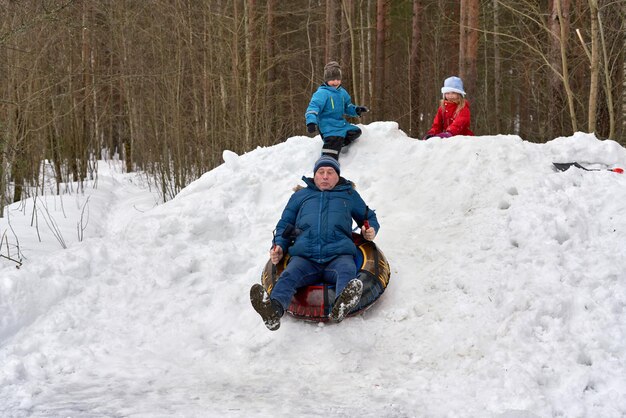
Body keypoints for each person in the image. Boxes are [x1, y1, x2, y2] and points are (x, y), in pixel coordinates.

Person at [250, 156, 380, 331]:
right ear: (315, 175)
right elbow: (284, 225)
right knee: (288, 276)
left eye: (330, 172)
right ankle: (273, 310)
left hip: (338, 254)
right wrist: (279, 245)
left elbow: (368, 217)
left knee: (347, 271)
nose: (325, 176)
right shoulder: (300, 196)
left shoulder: (348, 195)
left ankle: (341, 306)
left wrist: (369, 229)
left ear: (337, 176)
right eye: (321, 172)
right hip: (306, 256)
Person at [305, 61, 369, 160]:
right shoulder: (322, 93)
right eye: (332, 79)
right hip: (327, 126)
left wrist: (356, 110)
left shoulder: (342, 92)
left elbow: (347, 107)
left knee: (356, 131)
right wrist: (311, 122)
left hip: (340, 124)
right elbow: (313, 107)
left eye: (338, 79)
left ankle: (340, 142)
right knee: (334, 140)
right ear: (326, 80)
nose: (336, 82)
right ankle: (327, 162)